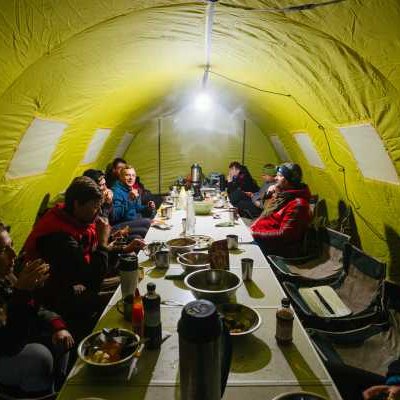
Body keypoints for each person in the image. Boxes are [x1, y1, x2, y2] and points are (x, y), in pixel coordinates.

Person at [23, 177, 144, 340]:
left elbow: (90, 255)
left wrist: (123, 248)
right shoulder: (58, 237)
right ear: (77, 204)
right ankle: (112, 339)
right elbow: (92, 280)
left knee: (133, 280)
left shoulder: (75, 218)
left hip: (78, 280)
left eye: (99, 206)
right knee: (124, 298)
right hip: (56, 295)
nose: (98, 211)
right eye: (94, 206)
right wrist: (103, 243)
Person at [0, 222, 73, 396]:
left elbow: (34, 308)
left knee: (62, 338)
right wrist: (22, 294)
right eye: (3, 250)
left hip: (15, 338)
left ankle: (59, 389)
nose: (13, 254)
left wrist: (57, 326)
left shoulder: (6, 276)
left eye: (11, 245)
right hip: (5, 349)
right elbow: (10, 345)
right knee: (38, 357)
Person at [250, 162, 312, 257]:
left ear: (287, 180)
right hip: (260, 236)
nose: (275, 178)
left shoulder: (298, 204)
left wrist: (254, 233)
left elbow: (284, 235)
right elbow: (265, 213)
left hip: (274, 247)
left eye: (279, 175)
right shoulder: (283, 196)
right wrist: (271, 194)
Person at [111, 165, 156, 238]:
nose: (131, 178)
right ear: (121, 177)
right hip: (120, 224)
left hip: (132, 221)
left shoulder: (129, 188)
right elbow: (115, 215)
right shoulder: (116, 191)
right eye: (127, 175)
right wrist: (130, 200)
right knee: (148, 222)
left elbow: (135, 207)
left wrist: (147, 207)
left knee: (147, 229)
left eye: (133, 175)